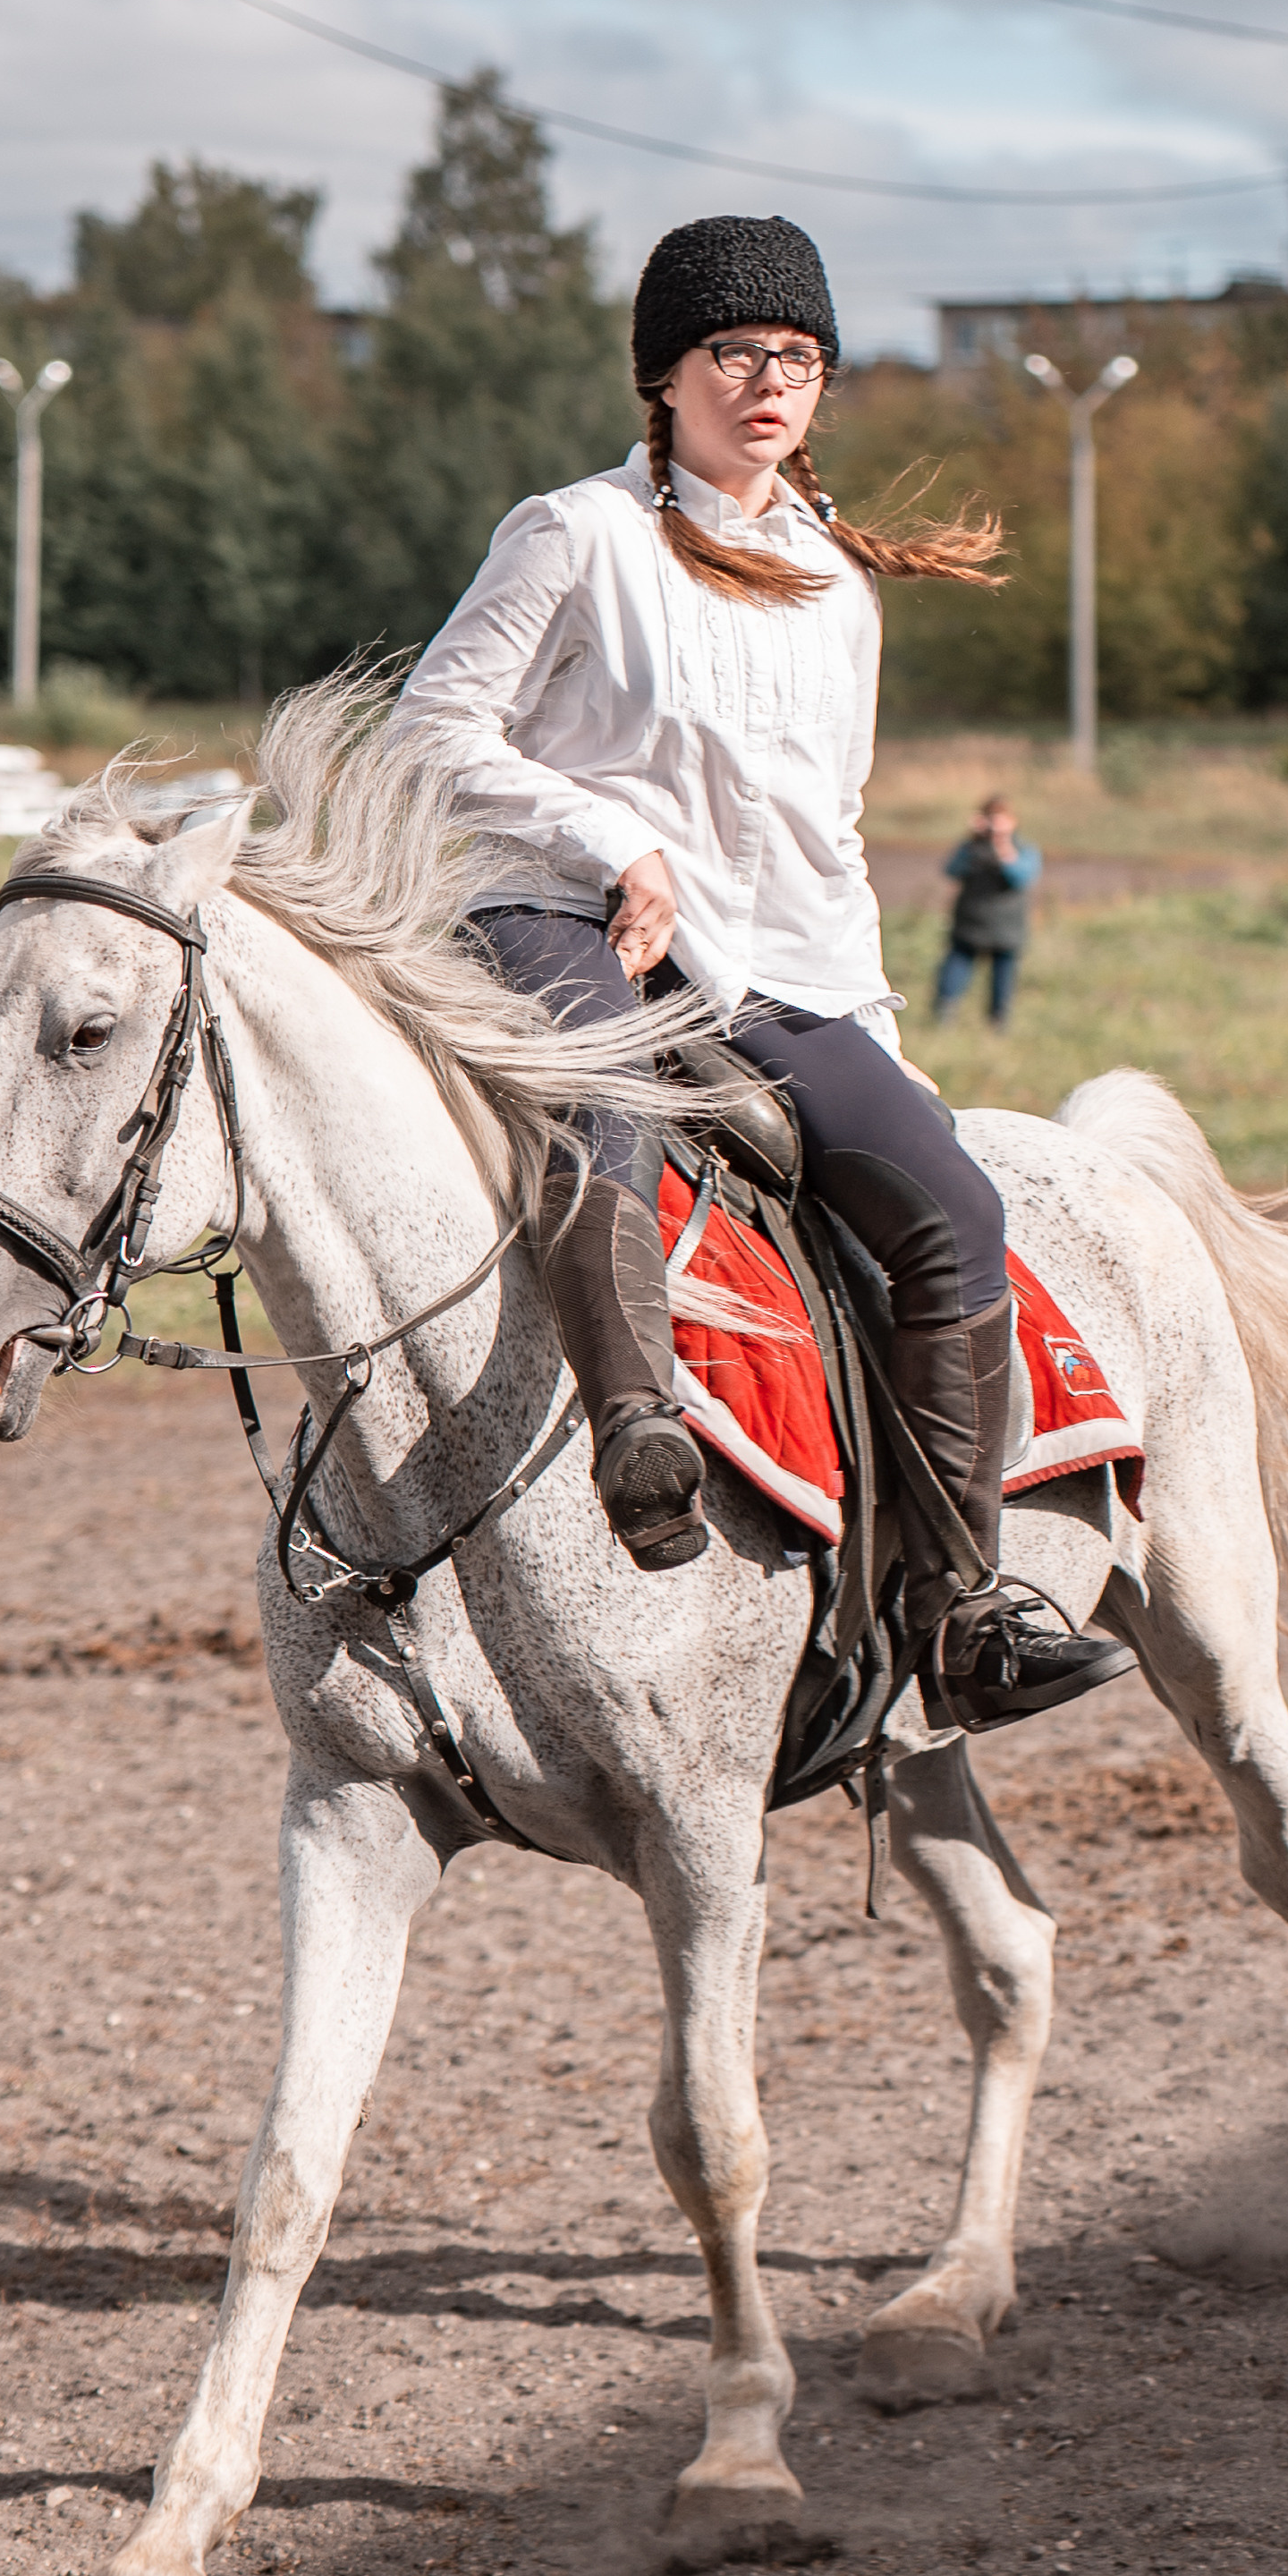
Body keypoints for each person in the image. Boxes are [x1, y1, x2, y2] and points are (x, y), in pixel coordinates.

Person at [391, 215, 1125, 1733]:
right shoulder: (570, 531)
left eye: (796, 356)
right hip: (563, 920)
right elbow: (429, 731)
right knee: (603, 1115)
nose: (767, 380)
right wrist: (602, 839)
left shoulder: (834, 586)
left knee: (955, 1208)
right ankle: (639, 1436)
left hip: (781, 972)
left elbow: (823, 832)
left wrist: (871, 1032)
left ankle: (957, 1609)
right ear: (661, 374)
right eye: (732, 351)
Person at [935, 795, 1039, 1029]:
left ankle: (998, 1024)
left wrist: (1002, 846)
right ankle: (943, 1018)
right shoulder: (972, 848)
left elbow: (1021, 877)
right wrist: (972, 839)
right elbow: (952, 870)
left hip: (1007, 928)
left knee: (1002, 982)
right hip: (970, 925)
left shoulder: (1023, 850)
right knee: (954, 973)